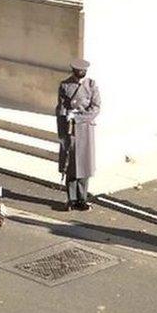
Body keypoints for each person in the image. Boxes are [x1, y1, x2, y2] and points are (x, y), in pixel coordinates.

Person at [56, 59, 101, 211]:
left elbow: (95, 108)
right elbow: (60, 108)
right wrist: (62, 131)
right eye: (78, 71)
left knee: (84, 165)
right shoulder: (65, 85)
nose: (81, 74)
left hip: (85, 129)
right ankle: (71, 198)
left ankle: (82, 198)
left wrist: (78, 117)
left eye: (83, 71)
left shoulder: (91, 85)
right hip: (70, 130)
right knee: (71, 165)